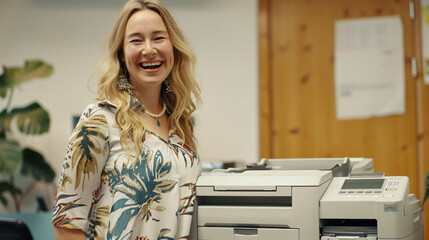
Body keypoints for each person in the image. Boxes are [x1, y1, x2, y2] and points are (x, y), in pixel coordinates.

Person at [52, 0, 201, 239]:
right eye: (136, 40)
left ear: (173, 46)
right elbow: (67, 221)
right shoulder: (100, 118)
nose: (149, 49)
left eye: (159, 38)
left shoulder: (180, 121)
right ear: (121, 53)